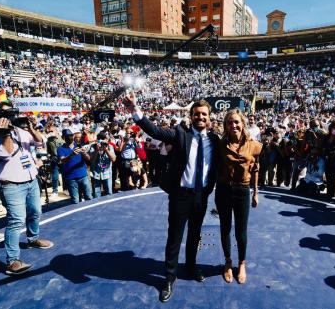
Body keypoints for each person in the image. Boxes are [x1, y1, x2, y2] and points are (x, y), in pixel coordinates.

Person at [123, 92, 219, 303]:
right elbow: (154, 131)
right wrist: (135, 111)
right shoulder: (180, 134)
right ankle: (169, 277)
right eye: (197, 114)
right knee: (174, 237)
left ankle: (191, 267)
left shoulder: (214, 140)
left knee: (195, 235)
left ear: (209, 117)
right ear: (191, 116)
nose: (200, 117)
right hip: (181, 196)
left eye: (204, 114)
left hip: (201, 196)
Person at [0, 102, 53, 276]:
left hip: (31, 180)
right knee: (16, 221)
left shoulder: (20, 130)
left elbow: (40, 142)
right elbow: (5, 153)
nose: (10, 117)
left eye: (12, 114)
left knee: (36, 212)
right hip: (12, 184)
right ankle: (12, 261)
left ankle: (33, 239)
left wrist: (30, 128)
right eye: (6, 114)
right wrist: (5, 133)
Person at [216, 109, 262, 284]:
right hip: (223, 190)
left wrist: (256, 192)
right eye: (230, 122)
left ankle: (242, 263)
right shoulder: (220, 144)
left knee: (241, 231)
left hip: (243, 190)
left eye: (236, 122)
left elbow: (256, 169)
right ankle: (228, 262)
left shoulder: (255, 145)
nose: (233, 125)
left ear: (243, 123)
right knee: (225, 227)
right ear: (226, 126)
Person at [58, 130, 93, 203]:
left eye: (71, 135)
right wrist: (72, 155)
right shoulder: (60, 149)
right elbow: (62, 160)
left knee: (89, 197)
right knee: (75, 201)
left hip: (83, 175)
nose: (70, 138)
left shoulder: (79, 145)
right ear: (63, 137)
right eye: (67, 136)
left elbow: (88, 158)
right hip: (71, 178)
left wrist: (84, 152)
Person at [89, 132, 116, 197]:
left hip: (107, 174)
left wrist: (106, 150)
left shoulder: (110, 147)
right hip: (96, 174)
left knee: (109, 193)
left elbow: (113, 159)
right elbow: (92, 160)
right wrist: (97, 150)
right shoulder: (93, 146)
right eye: (100, 139)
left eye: (104, 139)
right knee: (96, 194)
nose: (102, 141)